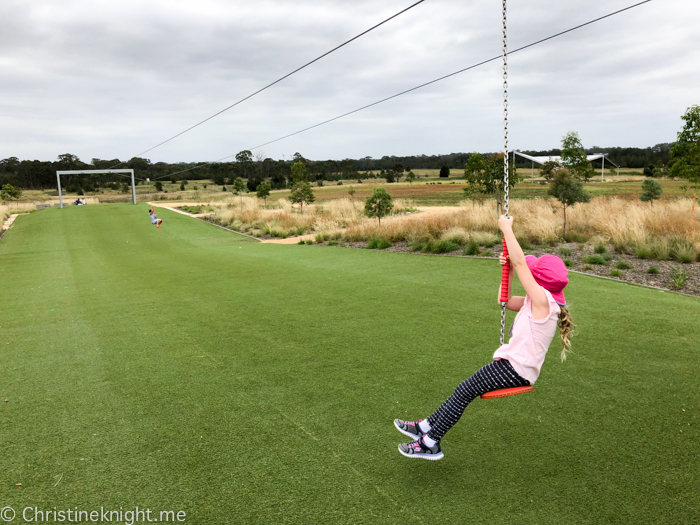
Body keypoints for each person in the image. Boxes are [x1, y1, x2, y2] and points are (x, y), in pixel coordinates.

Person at [394, 215, 574, 460]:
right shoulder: (536, 302)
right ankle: (425, 428)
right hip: (512, 366)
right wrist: (508, 270)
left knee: (463, 392)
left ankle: (430, 443)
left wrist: (506, 230)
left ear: (540, 283)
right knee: (463, 390)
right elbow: (505, 300)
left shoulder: (544, 304)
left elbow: (522, 263)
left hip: (516, 369)